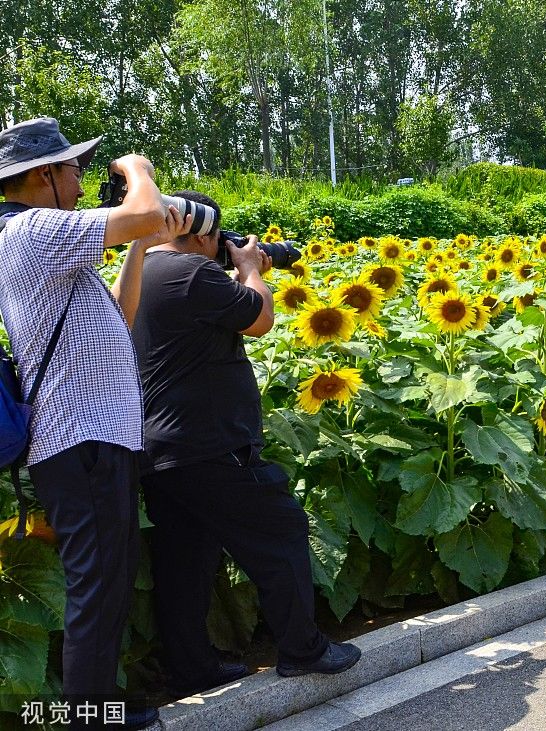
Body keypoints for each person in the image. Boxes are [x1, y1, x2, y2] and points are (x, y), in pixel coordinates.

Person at [131, 190, 361, 697]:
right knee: (280, 530)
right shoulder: (193, 274)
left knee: (185, 562)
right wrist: (251, 267)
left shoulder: (142, 274)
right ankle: (304, 650)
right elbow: (259, 318)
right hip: (211, 445)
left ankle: (193, 669)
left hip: (161, 449)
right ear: (202, 231)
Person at [0, 117, 183, 729]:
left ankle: (100, 708)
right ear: (45, 175)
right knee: (95, 583)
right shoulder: (30, 230)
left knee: (107, 578)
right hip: (78, 438)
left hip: (93, 438)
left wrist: (136, 242)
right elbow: (147, 212)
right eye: (76, 171)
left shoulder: (49, 244)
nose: (82, 184)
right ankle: (87, 720)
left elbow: (123, 312)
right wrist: (138, 168)